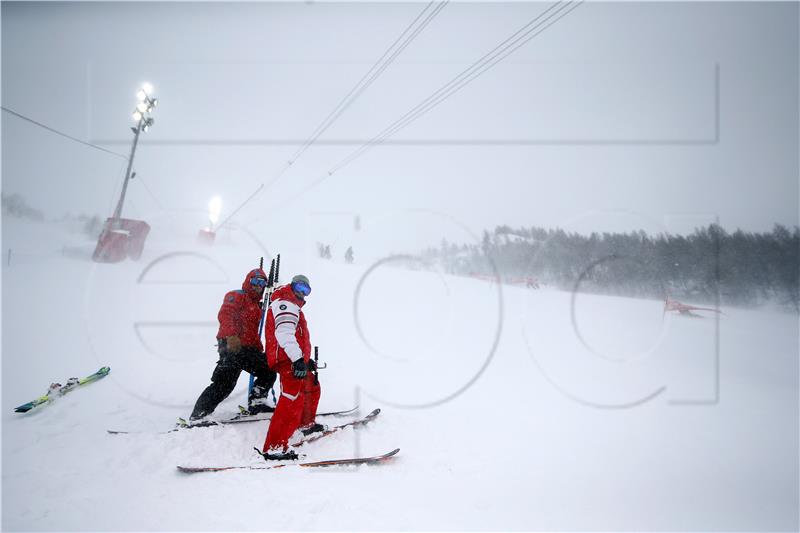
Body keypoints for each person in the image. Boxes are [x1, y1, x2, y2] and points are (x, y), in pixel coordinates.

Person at [190, 268, 277, 420]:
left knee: (268, 369)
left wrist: (259, 349)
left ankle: (257, 402)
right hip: (232, 344)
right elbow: (226, 315)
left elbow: (252, 332)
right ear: (248, 281)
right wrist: (231, 337)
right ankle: (199, 414)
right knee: (224, 383)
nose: (258, 286)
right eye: (255, 281)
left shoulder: (258, 306)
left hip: (248, 349)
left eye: (261, 283)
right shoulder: (236, 295)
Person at [260, 274, 322, 460]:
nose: (302, 293)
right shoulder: (284, 303)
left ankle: (305, 424)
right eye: (299, 288)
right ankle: (274, 446)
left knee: (312, 387)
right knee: (291, 400)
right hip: (288, 360)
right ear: (291, 286)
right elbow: (285, 333)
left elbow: (293, 336)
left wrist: (305, 360)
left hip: (294, 358)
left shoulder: (292, 305)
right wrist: (297, 360)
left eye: (306, 291)